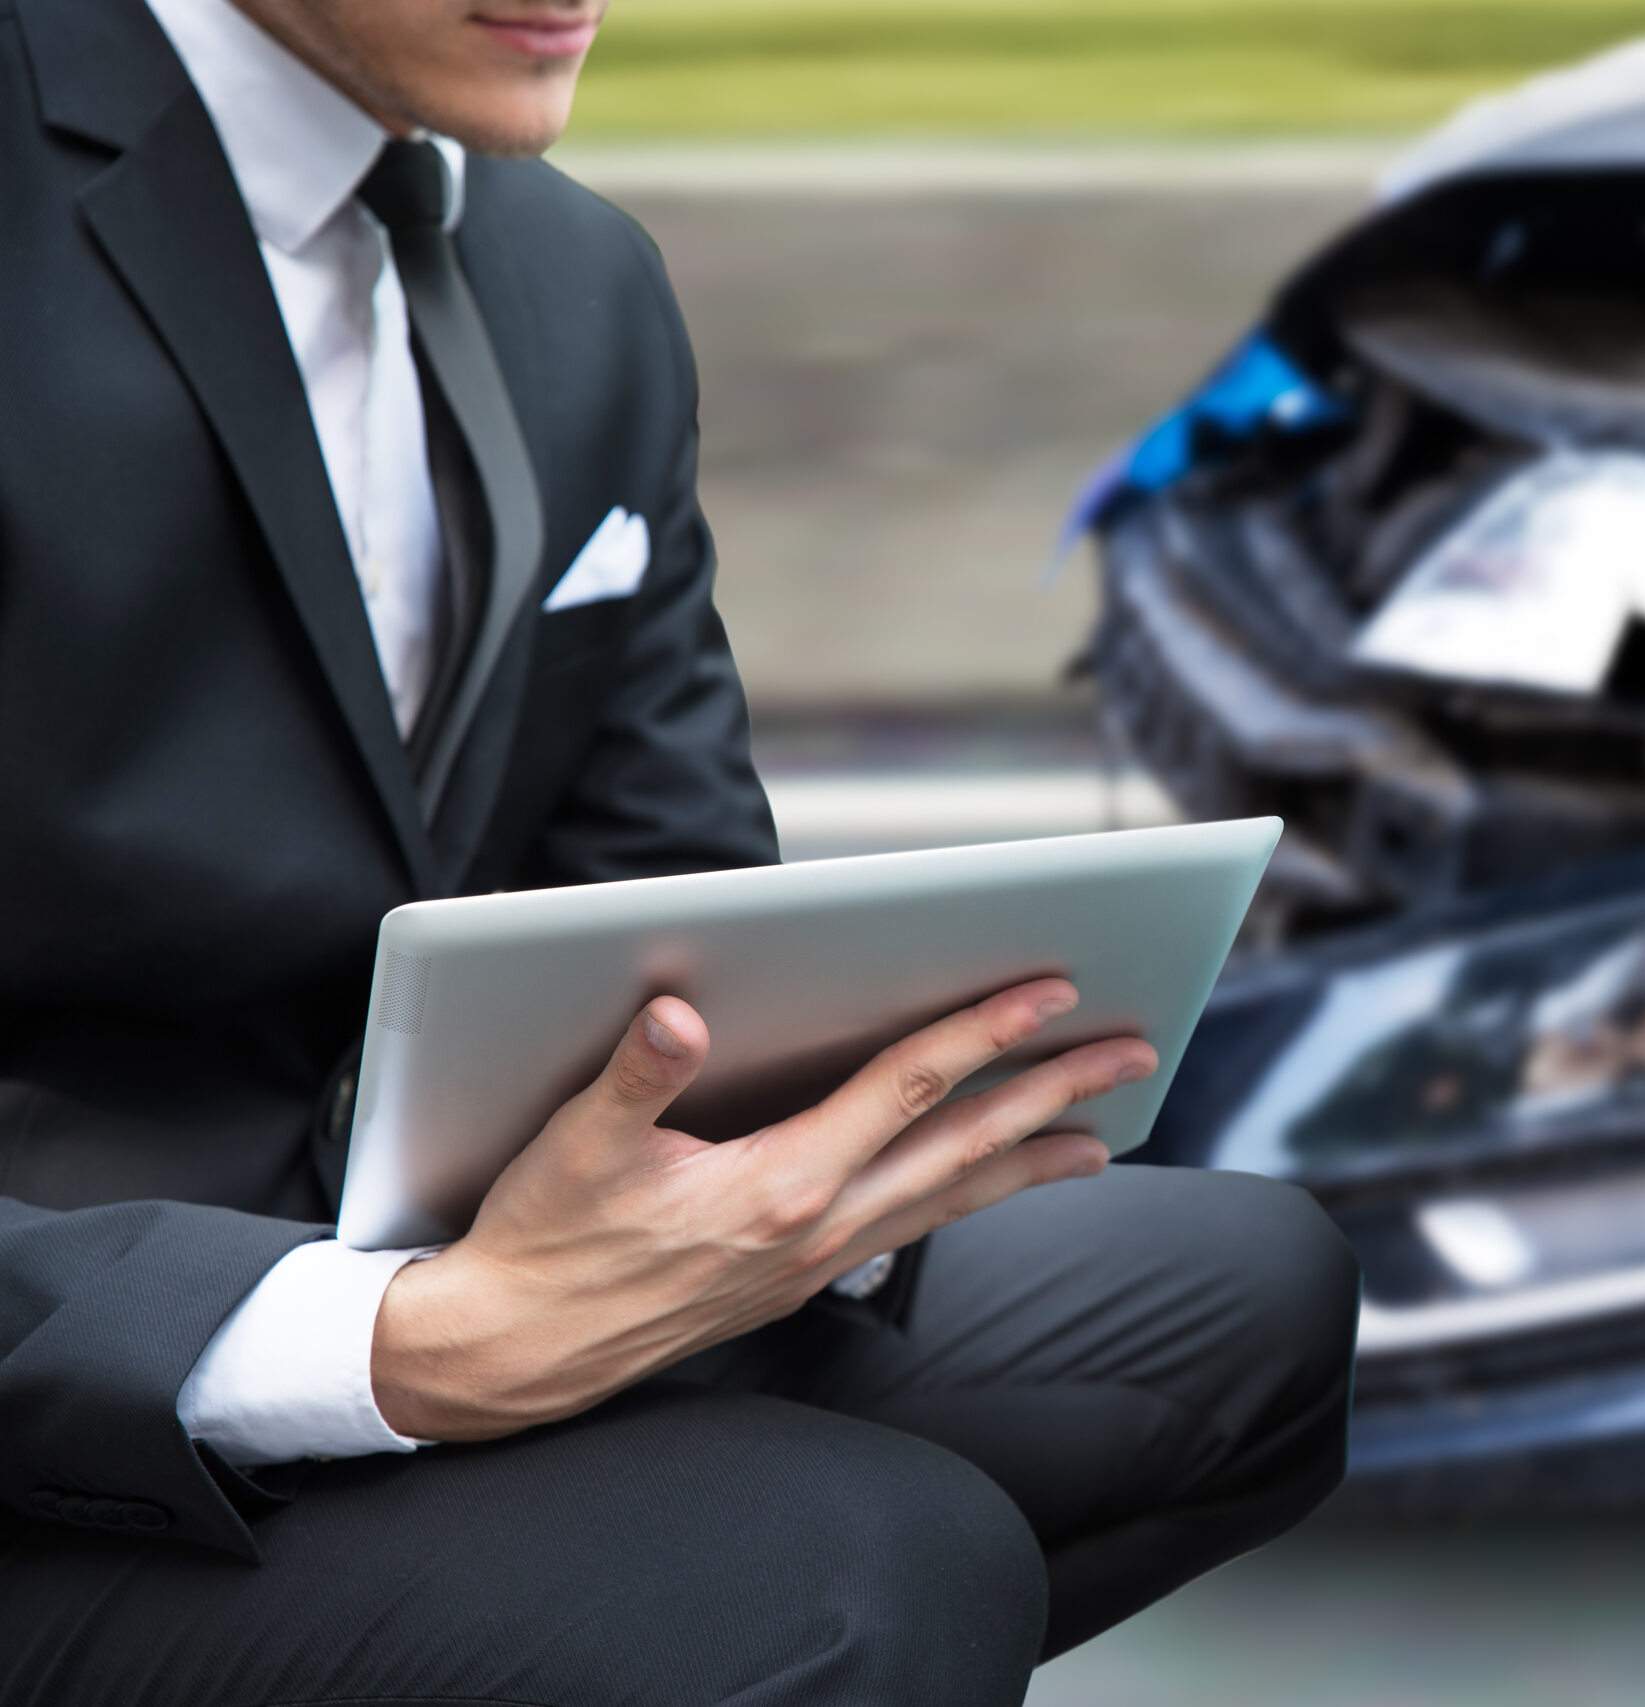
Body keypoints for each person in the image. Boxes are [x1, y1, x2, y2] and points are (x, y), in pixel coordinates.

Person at [0, 0, 1360, 1700]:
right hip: (67, 1366)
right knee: (845, 1569)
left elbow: (669, 890)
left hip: (363, 1222)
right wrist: (392, 1350)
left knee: (1239, 1299)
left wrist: (807, 1163)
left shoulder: (572, 281)